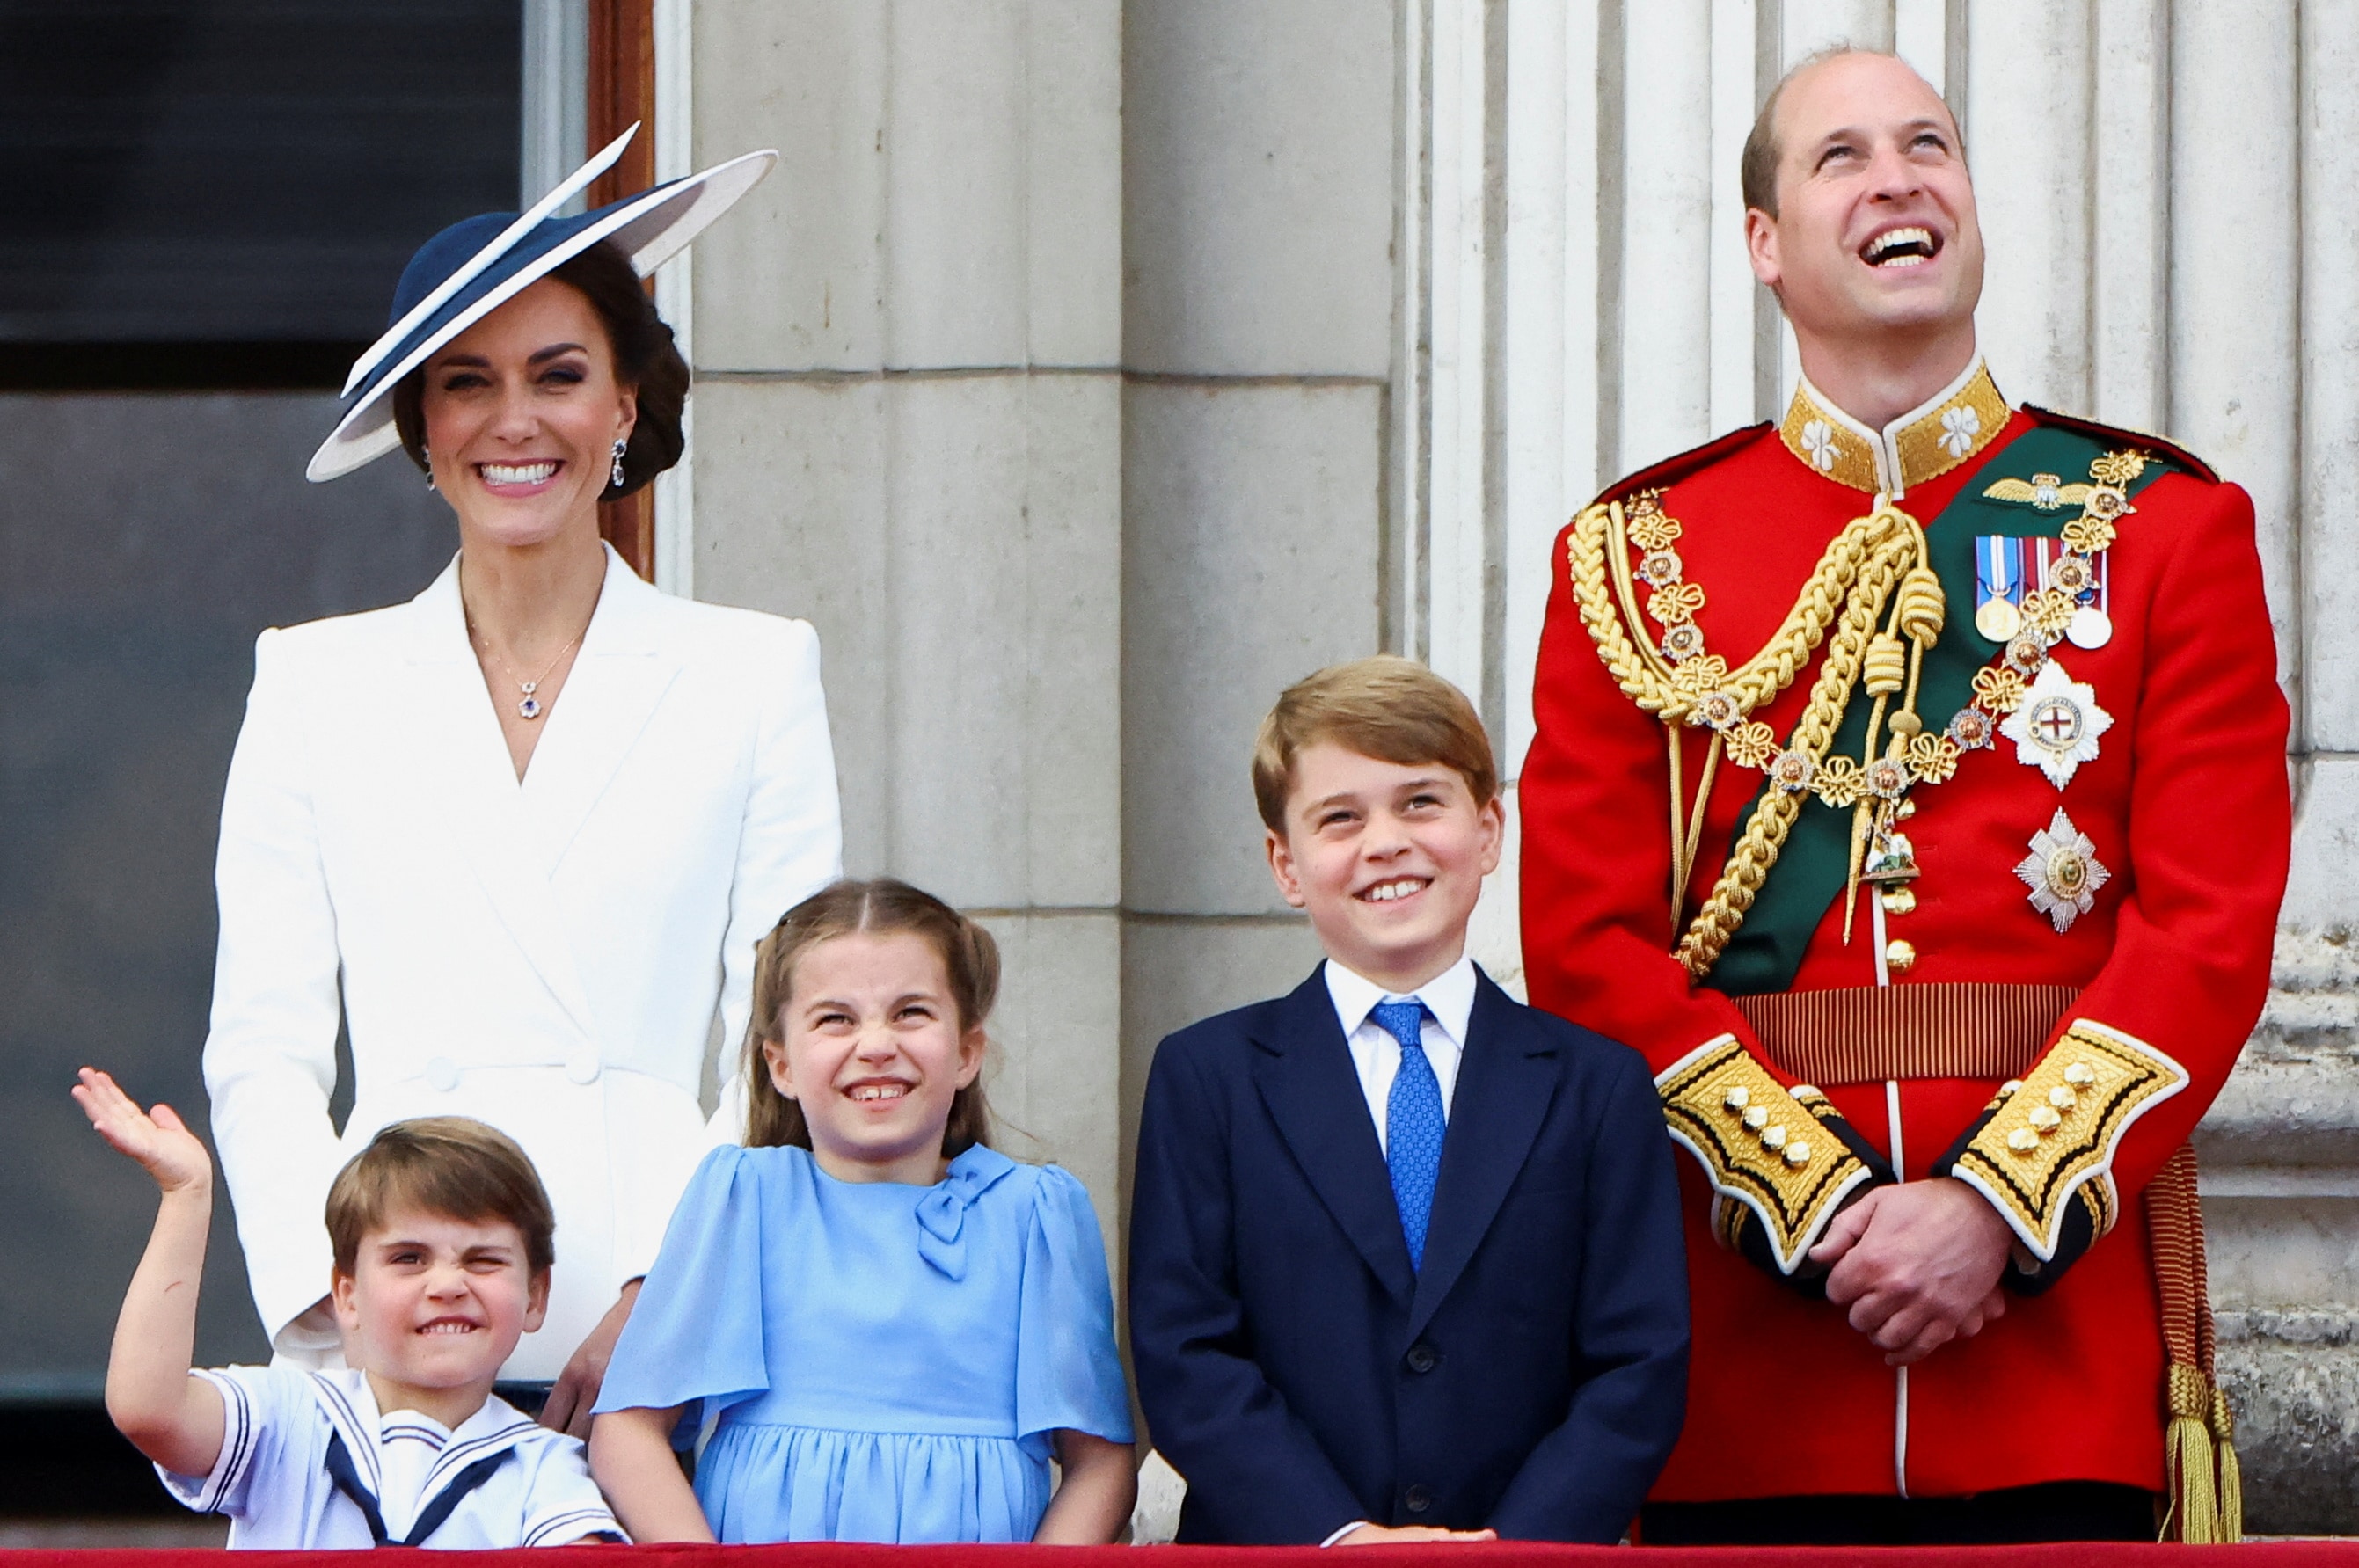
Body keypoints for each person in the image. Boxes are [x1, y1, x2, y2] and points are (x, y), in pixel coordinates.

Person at [1519, 47, 2288, 1546]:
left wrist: (1991, 1208)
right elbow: (1586, 944)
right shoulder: (1632, 556)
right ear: (1764, 244)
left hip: (2049, 1363)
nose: (1897, 177)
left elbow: (2207, 926)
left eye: (1926, 144)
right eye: (1841, 155)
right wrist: (1818, 1210)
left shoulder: (2160, 528)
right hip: (1740, 1375)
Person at [201, 125, 842, 1428]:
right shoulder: (314, 680)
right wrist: (341, 1300)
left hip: (662, 1324)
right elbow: (261, 1046)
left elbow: (786, 1032)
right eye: (466, 382)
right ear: (418, 426)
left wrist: (671, 1290)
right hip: (392, 1322)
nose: (514, 420)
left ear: (622, 405)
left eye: (558, 374)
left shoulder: (753, 670)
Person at [1128, 656, 1690, 1544]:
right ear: (1286, 863)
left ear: (1490, 829)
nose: (1385, 841)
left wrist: (1514, 1548)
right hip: (1283, 1556)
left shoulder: (1596, 1084)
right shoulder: (1210, 1077)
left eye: (1420, 802)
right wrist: (1339, 1537)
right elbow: (1185, 1351)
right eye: (1340, 818)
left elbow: (1638, 1360)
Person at [587, 878, 1136, 1544]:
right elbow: (628, 1429)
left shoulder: (1036, 1216)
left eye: (910, 1012)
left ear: (967, 1051)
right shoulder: (745, 1197)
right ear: (781, 1064)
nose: (876, 1042)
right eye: (836, 1018)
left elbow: (1099, 1461)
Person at [74, 1072, 620, 1550]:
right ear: (347, 1295)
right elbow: (149, 1410)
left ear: (536, 1295)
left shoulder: (545, 1467)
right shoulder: (286, 1418)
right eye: (409, 1258)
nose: (449, 1284)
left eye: (483, 1261)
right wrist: (186, 1195)